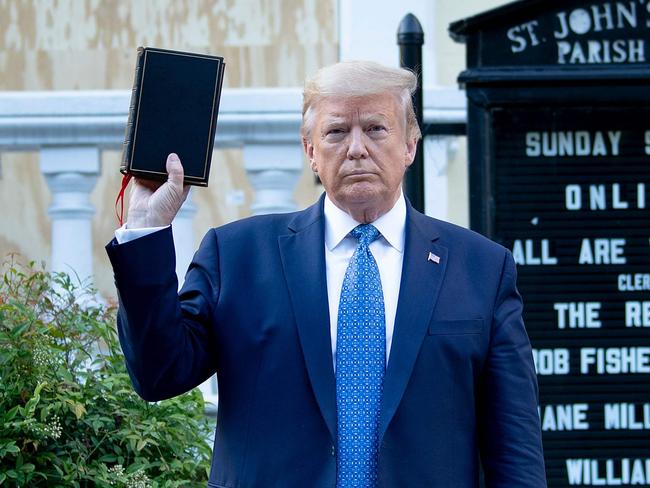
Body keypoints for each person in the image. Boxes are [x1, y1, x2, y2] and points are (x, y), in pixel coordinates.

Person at [106, 61, 546, 487]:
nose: (357, 148)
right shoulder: (238, 255)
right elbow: (158, 374)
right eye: (337, 131)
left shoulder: (481, 268)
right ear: (311, 150)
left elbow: (515, 450)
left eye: (375, 128)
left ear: (410, 144)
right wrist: (147, 229)